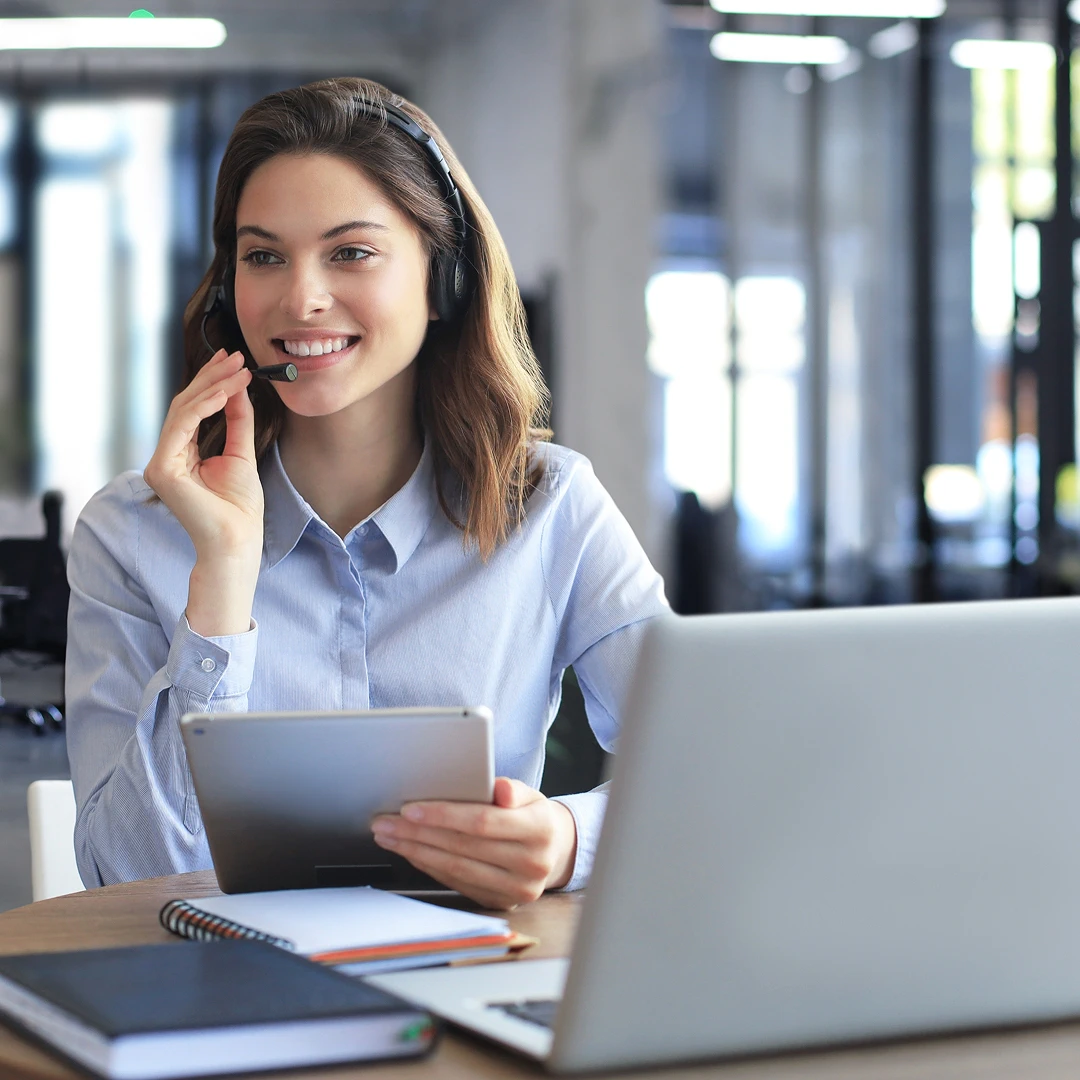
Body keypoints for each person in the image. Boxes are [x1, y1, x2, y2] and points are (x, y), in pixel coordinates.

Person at [65, 77, 668, 909]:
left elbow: (703, 767)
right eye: (263, 255)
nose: (299, 298)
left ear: (442, 278)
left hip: (475, 984)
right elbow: (129, 876)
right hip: (220, 997)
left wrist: (569, 840)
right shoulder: (130, 534)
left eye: (350, 252)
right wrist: (222, 592)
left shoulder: (549, 502)